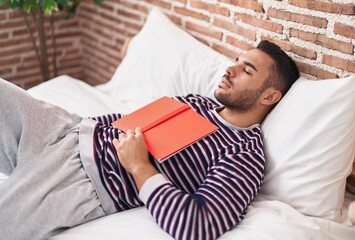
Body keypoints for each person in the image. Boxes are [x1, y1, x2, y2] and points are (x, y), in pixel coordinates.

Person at [0, 40, 299, 240]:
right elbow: (131, 123)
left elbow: (199, 223)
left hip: (83, 181)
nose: (230, 69)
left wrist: (139, 166)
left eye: (247, 70)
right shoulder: (199, 102)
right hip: (67, 130)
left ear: (269, 96)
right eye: (236, 60)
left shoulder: (243, 154)